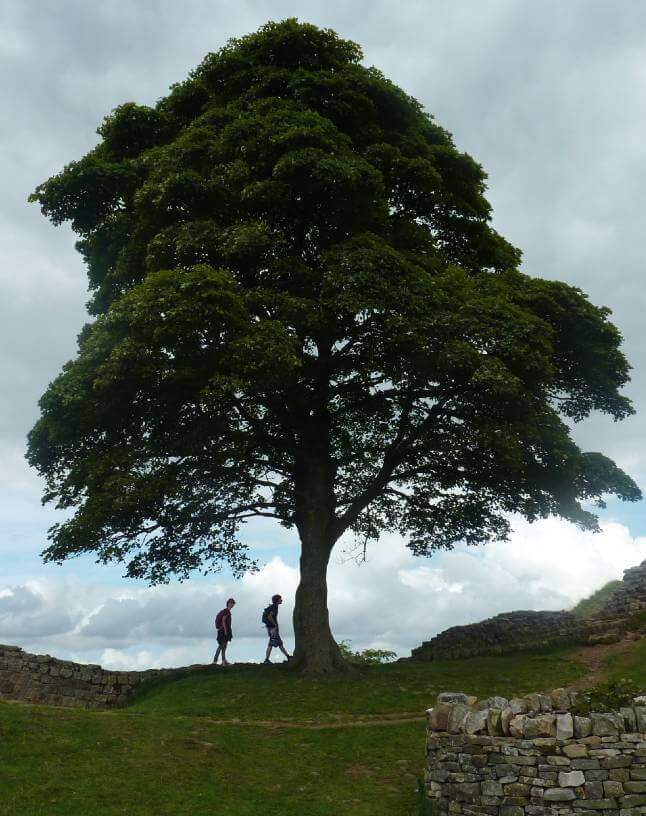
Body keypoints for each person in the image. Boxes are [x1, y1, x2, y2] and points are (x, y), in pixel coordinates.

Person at [262, 593, 291, 664]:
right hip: (272, 628)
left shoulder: (273, 606)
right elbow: (270, 616)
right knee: (272, 643)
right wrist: (275, 625)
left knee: (278, 643)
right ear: (277, 600)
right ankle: (266, 660)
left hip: (270, 627)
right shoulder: (274, 607)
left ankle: (288, 656)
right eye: (280, 599)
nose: (281, 600)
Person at [213, 597, 235, 666]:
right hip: (223, 630)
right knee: (221, 646)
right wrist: (225, 631)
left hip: (223, 630)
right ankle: (215, 661)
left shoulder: (227, 611)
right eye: (231, 603)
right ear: (228, 603)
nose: (232, 605)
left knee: (224, 646)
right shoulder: (226, 611)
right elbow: (223, 620)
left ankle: (223, 660)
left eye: (233, 604)